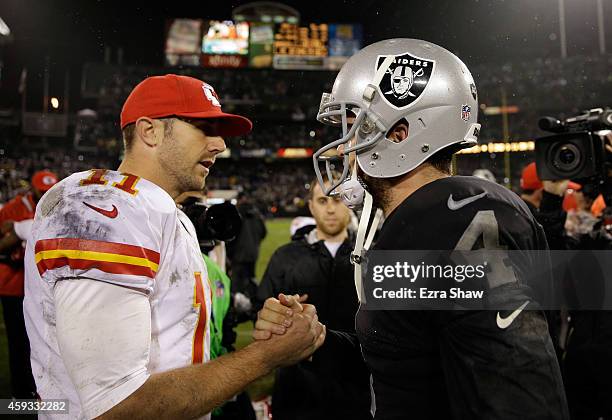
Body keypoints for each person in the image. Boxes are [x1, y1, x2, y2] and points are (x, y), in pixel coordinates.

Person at [256, 39, 568, 418]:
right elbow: (401, 359)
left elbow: (519, 395)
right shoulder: (424, 221)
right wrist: (317, 342)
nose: (344, 147)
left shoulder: (460, 222)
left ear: (400, 134)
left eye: (356, 126)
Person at [23, 74, 325, 419]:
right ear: (149, 131)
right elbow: (117, 408)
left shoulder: (164, 210)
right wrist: (265, 355)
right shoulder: (103, 207)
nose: (219, 145)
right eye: (204, 127)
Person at [257, 179, 371, 420]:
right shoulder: (285, 257)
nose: (330, 208)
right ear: (311, 208)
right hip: (297, 391)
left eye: (338, 199)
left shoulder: (370, 258)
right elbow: (262, 311)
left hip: (355, 388)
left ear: (350, 204)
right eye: (322, 201)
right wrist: (280, 312)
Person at [0, 170, 58, 399]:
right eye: (42, 191)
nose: (46, 195)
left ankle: (36, 389)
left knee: (41, 340)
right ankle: (20, 392)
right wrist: (9, 252)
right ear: (32, 189)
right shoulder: (14, 207)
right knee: (19, 341)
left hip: (41, 285)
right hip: (14, 285)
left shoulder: (55, 205)